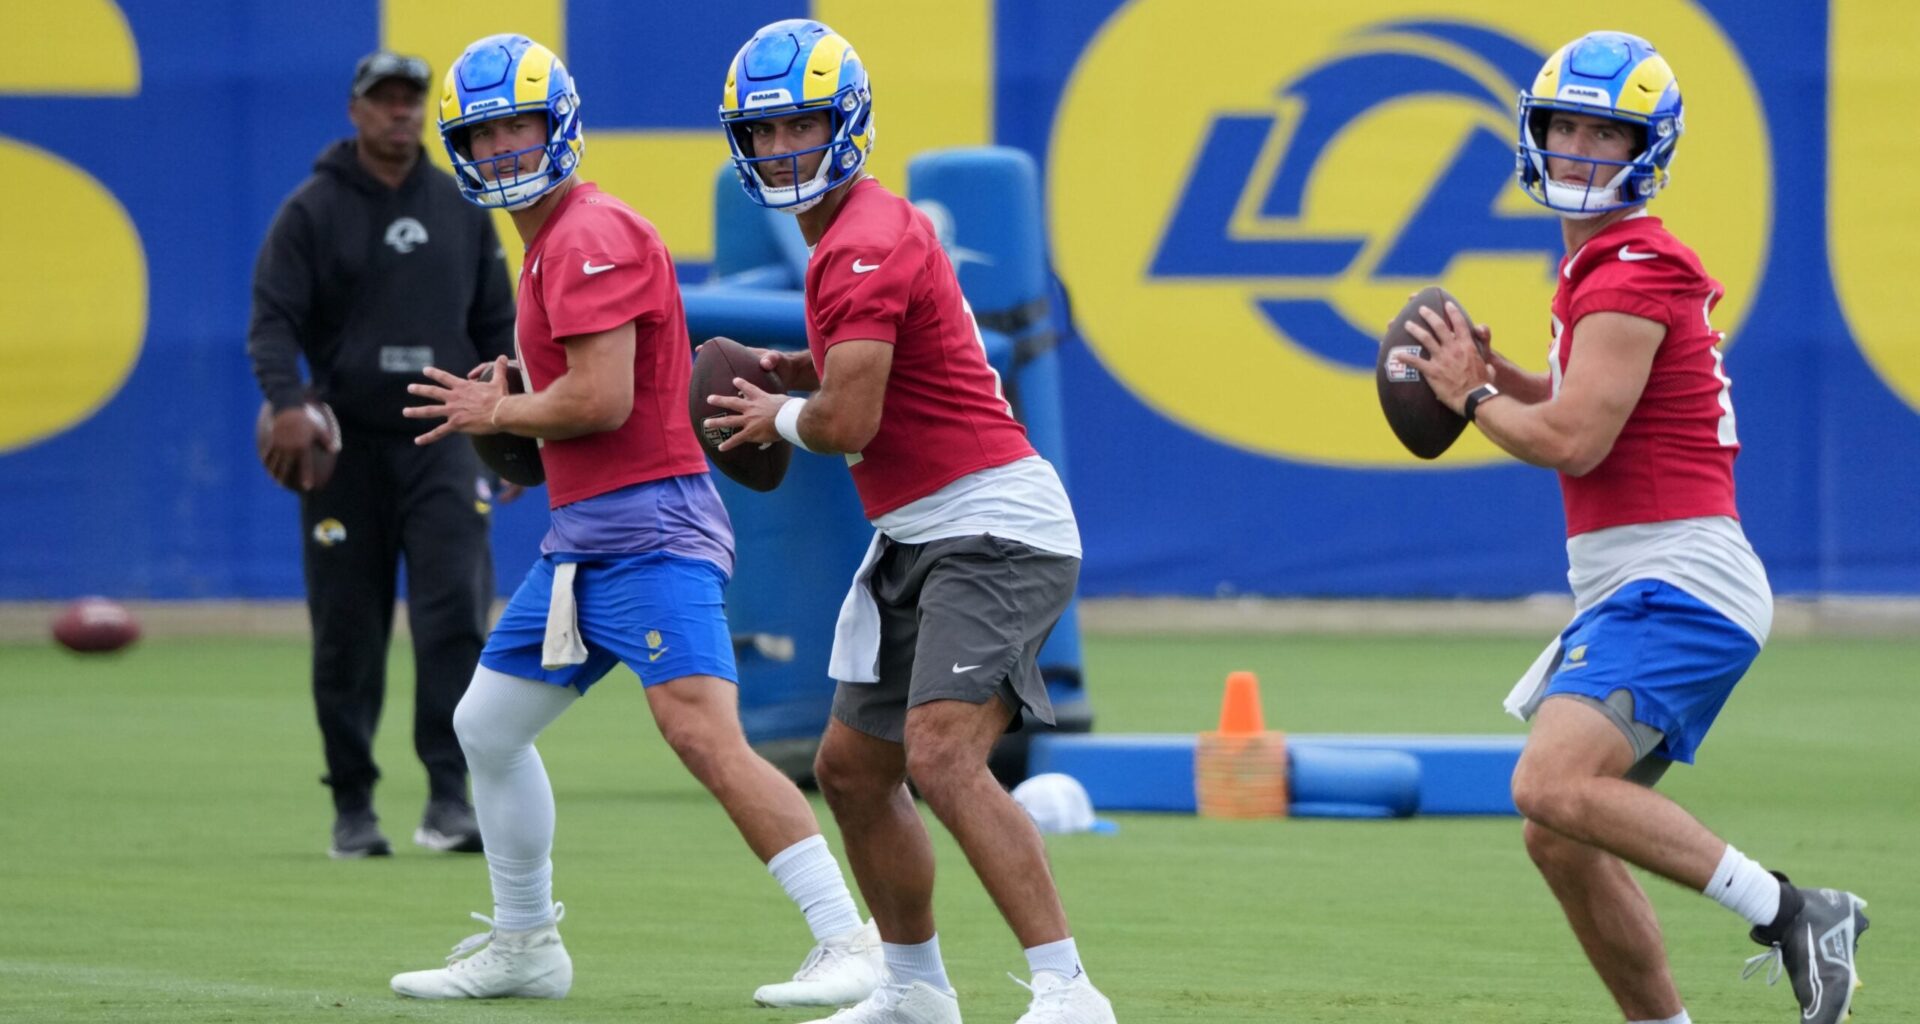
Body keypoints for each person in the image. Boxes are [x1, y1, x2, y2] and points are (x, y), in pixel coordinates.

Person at [385, 34, 880, 1009]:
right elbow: (587, 397)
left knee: (705, 737)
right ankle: (526, 943)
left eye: (517, 126)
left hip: (652, 531)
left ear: (559, 122)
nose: (501, 150)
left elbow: (603, 400)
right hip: (587, 536)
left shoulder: (584, 233)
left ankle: (850, 937)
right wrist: (529, 418)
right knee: (486, 724)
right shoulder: (548, 238)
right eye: (482, 135)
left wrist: (504, 414)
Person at [1398, 31, 1868, 1024]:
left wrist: (1473, 393)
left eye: (1602, 133)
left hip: (1678, 573)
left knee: (1550, 782)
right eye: (1564, 125)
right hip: (1642, 576)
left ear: (1644, 151)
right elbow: (1578, 402)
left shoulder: (1631, 267)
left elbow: (1572, 440)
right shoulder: (1602, 266)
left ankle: (1794, 910)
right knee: (1560, 831)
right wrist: (1499, 375)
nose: (1576, 149)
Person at [705, 20, 1116, 1024]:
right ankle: (916, 989)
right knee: (851, 769)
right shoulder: (851, 237)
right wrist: (812, 376)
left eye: (797, 124)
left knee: (941, 754)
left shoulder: (864, 237)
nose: (778, 149)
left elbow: (852, 419)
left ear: (846, 125)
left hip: (993, 527)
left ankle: (1070, 991)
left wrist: (779, 412)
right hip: (922, 531)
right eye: (760, 133)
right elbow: (901, 363)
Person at [248, 49, 516, 860]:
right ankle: (353, 805)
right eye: (385, 99)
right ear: (356, 109)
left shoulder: (461, 208)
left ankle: (447, 798)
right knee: (347, 630)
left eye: (412, 100)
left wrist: (510, 432)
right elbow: (271, 320)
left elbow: (499, 329)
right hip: (347, 448)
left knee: (453, 621)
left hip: (445, 441)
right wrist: (287, 401)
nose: (400, 112)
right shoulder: (313, 210)